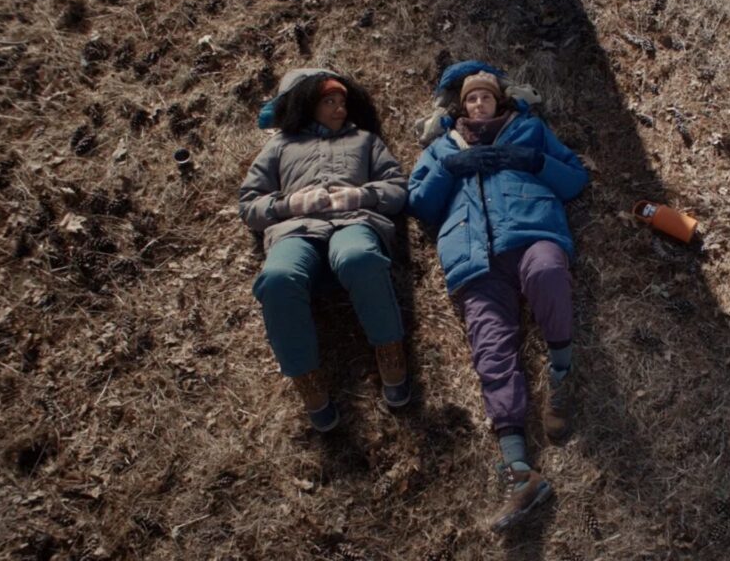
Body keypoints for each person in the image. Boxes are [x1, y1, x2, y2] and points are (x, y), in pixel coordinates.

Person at [408, 62, 588, 531]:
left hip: (531, 235)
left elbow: (575, 180)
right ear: (461, 107)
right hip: (475, 258)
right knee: (490, 346)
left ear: (499, 99)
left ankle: (562, 375)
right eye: (471, 98)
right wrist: (449, 168)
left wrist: (534, 161)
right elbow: (420, 204)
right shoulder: (442, 147)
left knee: (548, 273)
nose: (479, 103)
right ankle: (520, 472)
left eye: (486, 95)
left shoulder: (530, 130)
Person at [239, 68, 410, 432]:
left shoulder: (365, 140)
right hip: (296, 231)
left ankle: (390, 351)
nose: (340, 109)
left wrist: (362, 195)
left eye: (342, 102)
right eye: (330, 101)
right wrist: (289, 203)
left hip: (353, 223)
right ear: (308, 105)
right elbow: (249, 205)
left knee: (360, 258)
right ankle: (308, 380)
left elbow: (397, 189)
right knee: (277, 279)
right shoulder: (280, 146)